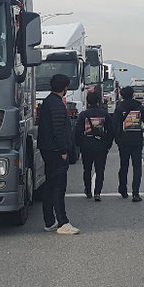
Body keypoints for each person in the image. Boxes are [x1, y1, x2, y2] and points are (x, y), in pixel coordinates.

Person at [36, 73, 79, 234]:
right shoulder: (56, 104)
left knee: (49, 185)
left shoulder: (48, 101)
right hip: (55, 151)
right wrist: (63, 150)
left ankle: (49, 221)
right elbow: (58, 129)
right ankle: (63, 222)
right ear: (65, 88)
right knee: (59, 187)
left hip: (47, 148)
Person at [111, 85, 144, 201]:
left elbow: (114, 126)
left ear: (122, 95)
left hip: (123, 141)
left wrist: (117, 139)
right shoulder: (139, 107)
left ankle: (123, 189)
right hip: (136, 140)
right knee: (137, 167)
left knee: (124, 166)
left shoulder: (119, 108)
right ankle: (135, 193)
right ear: (133, 94)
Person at [74, 88, 114, 201]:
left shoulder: (83, 115)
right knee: (100, 170)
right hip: (101, 145)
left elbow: (77, 131)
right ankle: (97, 192)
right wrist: (108, 144)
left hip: (86, 144)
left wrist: (79, 143)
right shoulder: (104, 114)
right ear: (98, 101)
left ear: (87, 101)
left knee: (87, 169)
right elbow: (110, 131)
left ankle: (88, 190)